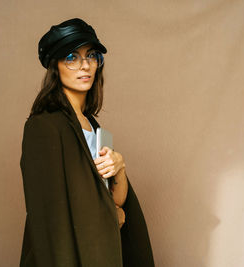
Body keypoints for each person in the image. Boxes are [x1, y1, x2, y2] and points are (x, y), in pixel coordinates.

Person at [19, 18, 155, 267]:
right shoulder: (44, 126)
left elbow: (114, 201)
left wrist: (120, 167)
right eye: (72, 57)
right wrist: (111, 217)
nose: (85, 66)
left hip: (98, 250)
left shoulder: (93, 126)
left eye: (91, 56)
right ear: (55, 66)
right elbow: (49, 217)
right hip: (67, 256)